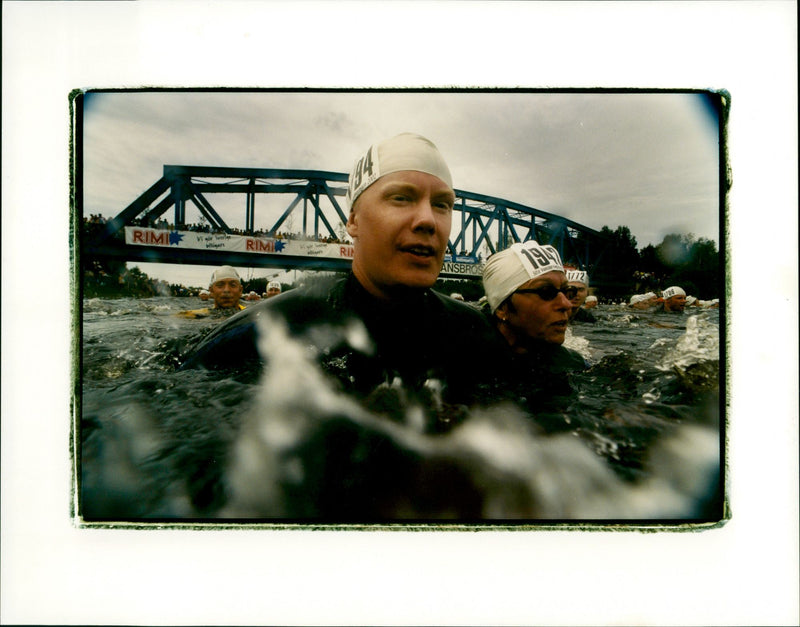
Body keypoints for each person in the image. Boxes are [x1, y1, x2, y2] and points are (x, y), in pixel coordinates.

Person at [181, 132, 511, 431]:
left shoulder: (474, 333)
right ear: (352, 221)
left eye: (442, 205)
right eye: (401, 198)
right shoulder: (267, 330)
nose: (427, 220)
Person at [482, 240, 588, 415]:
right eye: (546, 292)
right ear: (503, 307)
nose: (566, 304)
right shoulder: (463, 361)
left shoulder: (572, 363)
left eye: (566, 291)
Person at [176, 266, 246, 319]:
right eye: (220, 285)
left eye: (233, 285)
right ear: (211, 291)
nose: (226, 290)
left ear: (240, 290)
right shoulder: (197, 315)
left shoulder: (252, 314)